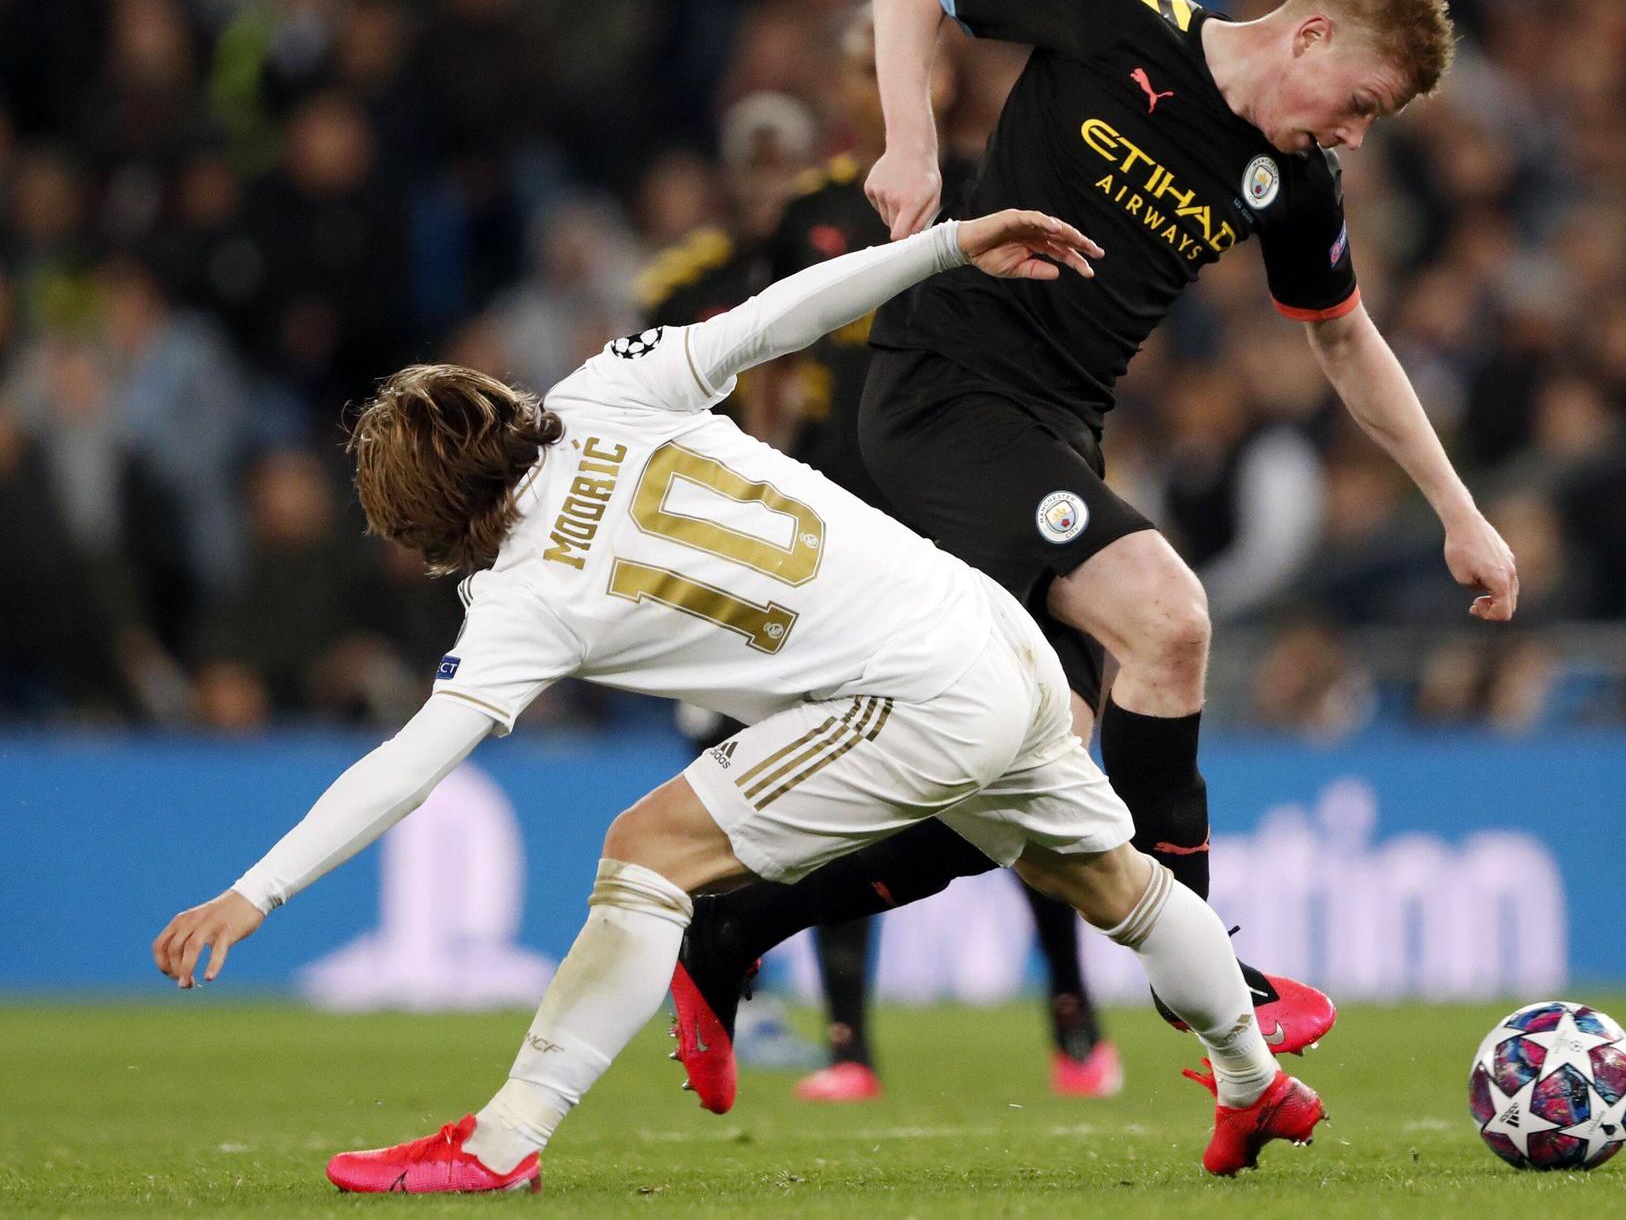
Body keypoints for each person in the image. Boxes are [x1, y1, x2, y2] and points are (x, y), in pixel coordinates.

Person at [150, 209, 1327, 1194]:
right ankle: (1253, 1085)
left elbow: (410, 761)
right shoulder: (602, 390)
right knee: (1101, 874)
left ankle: (503, 1141)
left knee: (644, 849)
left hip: (912, 691)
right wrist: (952, 242)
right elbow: (784, 314)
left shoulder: (520, 598)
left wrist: (258, 889)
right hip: (991, 632)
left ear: (423, 528)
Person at [669, 0, 1518, 1109]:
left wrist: (1457, 511)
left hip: (1056, 434)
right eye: (1360, 104)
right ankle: (1197, 965)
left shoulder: (1293, 178)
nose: (1353, 135)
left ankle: (729, 933)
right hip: (940, 393)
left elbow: (1341, 333)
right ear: (1310, 36)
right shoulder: (1118, 15)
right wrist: (908, 140)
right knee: (1166, 617)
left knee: (1023, 773)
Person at [750, 6, 1120, 1102]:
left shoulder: (990, 194)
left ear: (938, 80)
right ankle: (849, 1043)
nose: (871, 83)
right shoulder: (810, 211)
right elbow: (772, 360)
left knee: (1018, 755)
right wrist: (772, 468)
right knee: (836, 763)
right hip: (839, 526)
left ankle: (1070, 1011)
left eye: (888, 63)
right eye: (857, 65)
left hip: (963, 512)